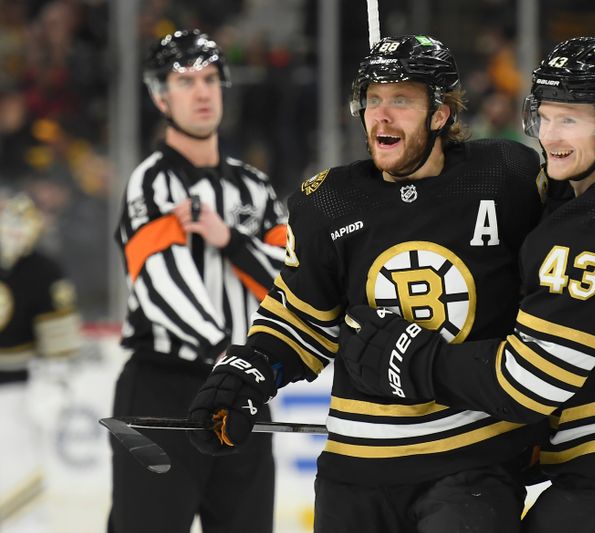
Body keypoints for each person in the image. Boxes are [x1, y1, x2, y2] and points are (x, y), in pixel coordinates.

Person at [339, 37, 595, 532]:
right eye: (544, 115)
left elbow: (529, 383)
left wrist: (408, 359)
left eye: (570, 119)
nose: (549, 135)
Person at [187, 34, 562, 533]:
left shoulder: (506, 177)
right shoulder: (330, 201)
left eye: (401, 101)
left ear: (442, 114)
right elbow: (300, 322)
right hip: (356, 467)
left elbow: (562, 273)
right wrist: (249, 372)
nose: (381, 116)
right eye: (373, 100)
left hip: (472, 462)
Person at [108, 29, 286, 533]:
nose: (204, 92)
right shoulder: (151, 182)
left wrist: (228, 239)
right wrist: (226, 350)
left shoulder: (255, 186)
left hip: (243, 391)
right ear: (159, 95)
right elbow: (160, 285)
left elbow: (290, 283)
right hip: (163, 392)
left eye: (211, 79)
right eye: (186, 82)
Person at [0, 190, 81, 523]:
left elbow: (59, 341)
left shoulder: (45, 270)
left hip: (19, 390)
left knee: (19, 473)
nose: (13, 232)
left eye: (20, 223)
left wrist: (53, 384)